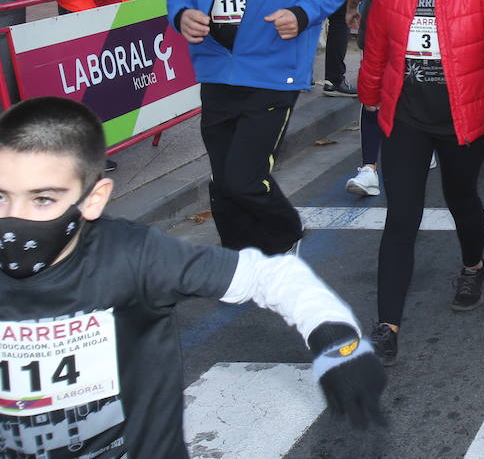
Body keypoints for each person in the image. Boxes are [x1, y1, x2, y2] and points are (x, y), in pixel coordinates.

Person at [0, 98, 387, 457]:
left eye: (43, 199)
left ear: (94, 198)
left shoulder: (134, 257)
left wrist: (333, 335)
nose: (14, 218)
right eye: (1, 196)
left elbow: (268, 274)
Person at [168, 0, 354, 255]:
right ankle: (238, 259)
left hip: (273, 69)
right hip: (217, 65)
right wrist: (181, 14)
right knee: (223, 178)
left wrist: (303, 13)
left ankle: (287, 235)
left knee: (244, 179)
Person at [357, 0, 484, 365]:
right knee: (401, 217)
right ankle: (386, 326)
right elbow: (378, 41)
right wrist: (369, 94)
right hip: (406, 115)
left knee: (461, 198)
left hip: (464, 115)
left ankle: (474, 265)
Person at [342, 0, 411, 197]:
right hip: (375, 19)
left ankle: (416, 146)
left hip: (414, 24)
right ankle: (369, 167)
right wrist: (352, 7)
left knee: (408, 91)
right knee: (371, 93)